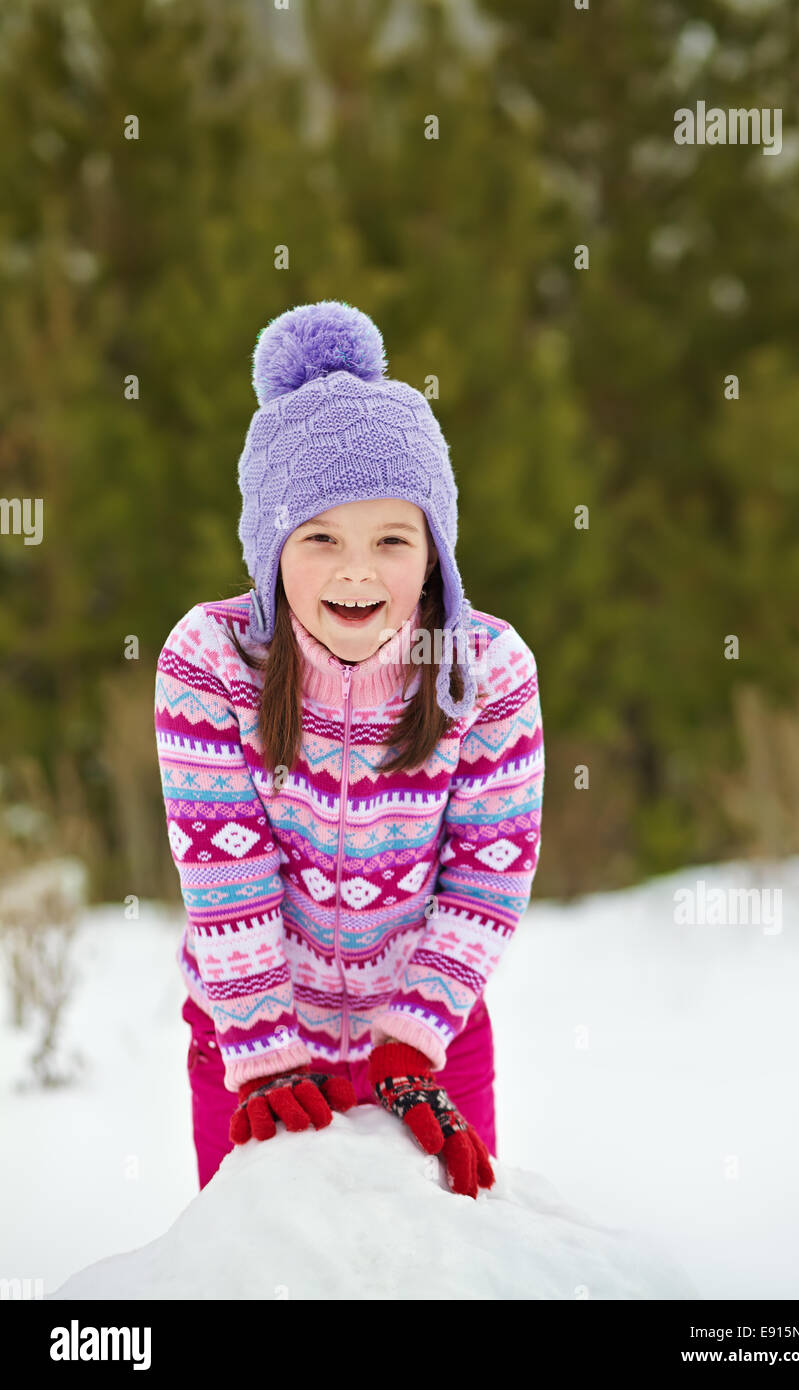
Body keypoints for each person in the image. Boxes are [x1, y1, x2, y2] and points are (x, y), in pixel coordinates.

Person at [154, 301, 545, 1199]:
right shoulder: (209, 663)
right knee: (259, 1262)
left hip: (425, 1041)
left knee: (451, 1263)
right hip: (249, 1038)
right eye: (320, 537)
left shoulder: (486, 670)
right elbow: (225, 870)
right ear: (270, 550)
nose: (357, 569)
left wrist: (414, 1035)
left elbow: (488, 870)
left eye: (392, 539)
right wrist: (262, 1049)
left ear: (436, 550)